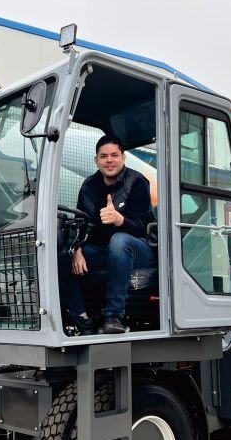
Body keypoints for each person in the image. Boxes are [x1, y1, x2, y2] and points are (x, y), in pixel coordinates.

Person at [60, 134, 156, 335]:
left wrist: (120, 220)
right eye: (103, 156)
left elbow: (143, 226)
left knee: (119, 240)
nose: (109, 160)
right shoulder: (89, 186)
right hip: (105, 251)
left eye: (114, 155)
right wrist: (76, 249)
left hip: (139, 249)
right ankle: (80, 318)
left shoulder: (137, 182)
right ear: (96, 160)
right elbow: (82, 224)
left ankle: (113, 316)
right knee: (63, 253)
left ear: (123, 157)